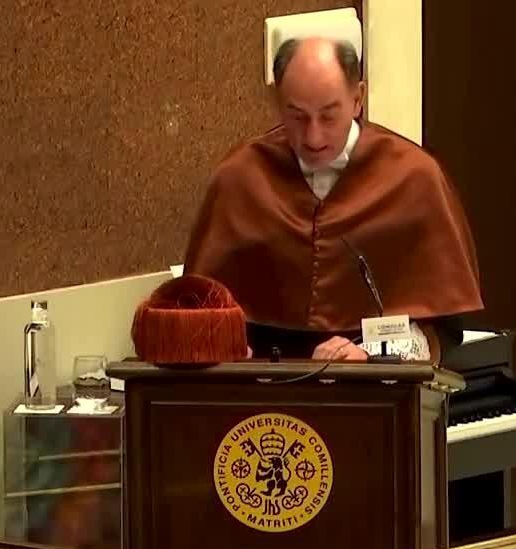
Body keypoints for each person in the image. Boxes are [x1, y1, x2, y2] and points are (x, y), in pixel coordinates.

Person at [181, 36, 483, 362]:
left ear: (357, 99)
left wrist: (372, 357)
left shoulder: (416, 179)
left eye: (328, 116)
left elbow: (442, 329)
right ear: (277, 102)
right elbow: (201, 311)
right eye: (297, 116)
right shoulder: (239, 179)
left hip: (375, 394)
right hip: (263, 396)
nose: (313, 137)